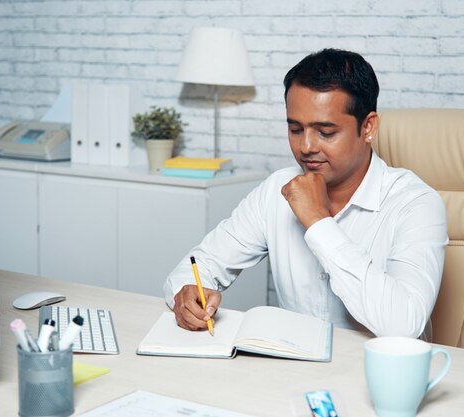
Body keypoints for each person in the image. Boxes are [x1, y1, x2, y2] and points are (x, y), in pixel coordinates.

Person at [163, 48, 448, 338]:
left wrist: (318, 222)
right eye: (296, 129)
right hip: (293, 371)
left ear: (368, 127)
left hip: (377, 374)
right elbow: (196, 267)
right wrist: (187, 295)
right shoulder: (277, 190)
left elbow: (404, 325)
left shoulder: (416, 204)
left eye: (325, 132)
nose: (306, 146)